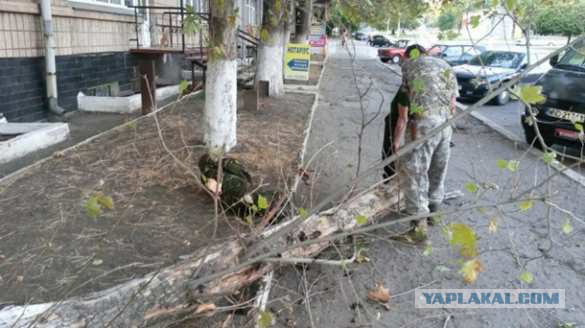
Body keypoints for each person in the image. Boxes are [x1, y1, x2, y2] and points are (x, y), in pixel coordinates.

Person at [393, 44, 459, 238]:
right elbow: (453, 105)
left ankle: (417, 229)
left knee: (415, 172)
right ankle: (434, 212)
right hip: (446, 124)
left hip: (423, 124)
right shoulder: (445, 66)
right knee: (438, 168)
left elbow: (403, 116)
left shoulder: (409, 66)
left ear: (408, 56)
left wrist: (397, 145)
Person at [382, 84, 409, 181]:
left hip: (395, 122)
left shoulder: (407, 88)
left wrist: (396, 142)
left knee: (390, 153)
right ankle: (390, 179)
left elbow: (402, 119)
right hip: (404, 121)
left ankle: (388, 180)